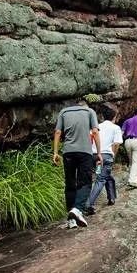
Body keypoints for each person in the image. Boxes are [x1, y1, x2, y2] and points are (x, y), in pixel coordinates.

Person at [53, 95, 103, 228]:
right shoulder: (89, 112)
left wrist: (56, 153)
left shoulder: (63, 112)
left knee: (70, 183)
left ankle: (71, 220)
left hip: (68, 152)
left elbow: (58, 132)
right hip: (85, 152)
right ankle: (77, 209)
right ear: (85, 105)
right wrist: (98, 153)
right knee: (85, 182)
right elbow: (95, 132)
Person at [85, 104, 122, 215]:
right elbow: (116, 144)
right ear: (114, 117)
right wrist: (113, 156)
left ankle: (111, 197)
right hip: (106, 156)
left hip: (93, 155)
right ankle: (88, 204)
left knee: (106, 175)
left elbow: (90, 139)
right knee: (100, 179)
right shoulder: (115, 128)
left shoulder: (97, 127)